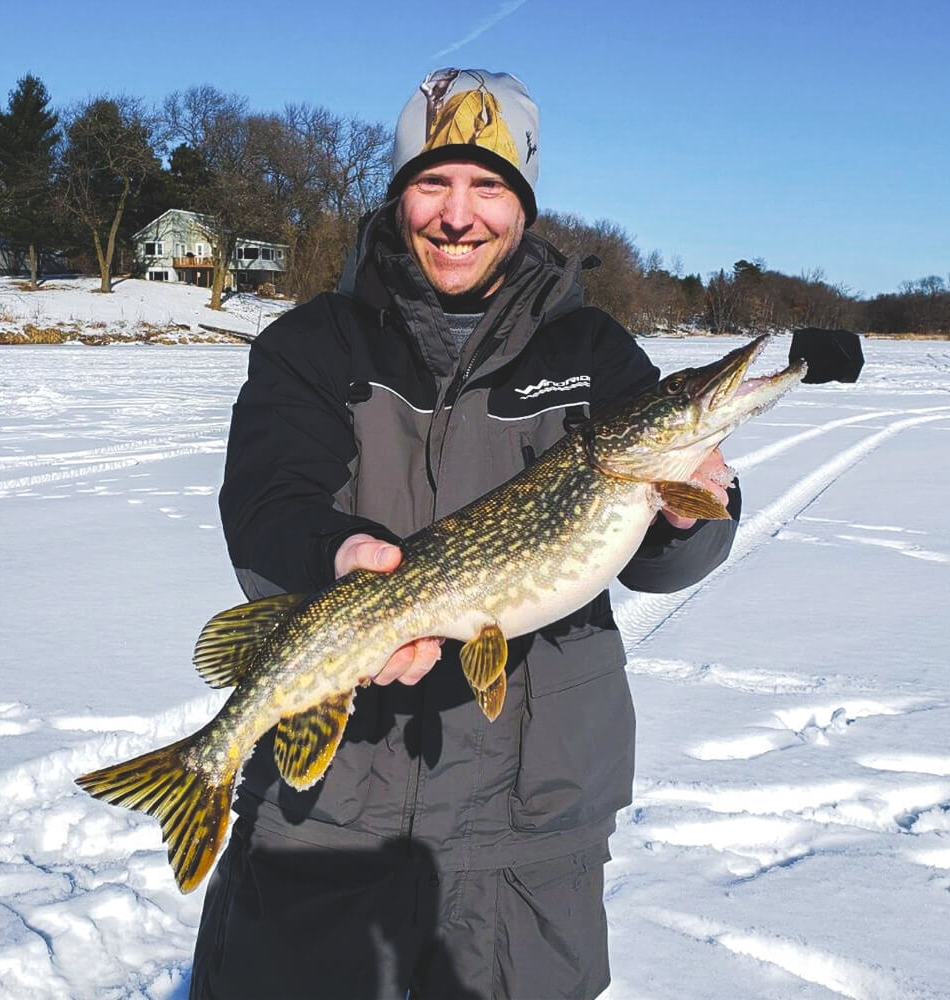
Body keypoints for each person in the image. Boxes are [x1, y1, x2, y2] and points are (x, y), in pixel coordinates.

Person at [190, 68, 740, 1000]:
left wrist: (687, 510)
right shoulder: (313, 342)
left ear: (522, 205)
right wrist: (338, 554)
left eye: (489, 186)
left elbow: (660, 564)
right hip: (332, 807)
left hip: (532, 808)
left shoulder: (593, 352)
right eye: (434, 182)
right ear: (400, 193)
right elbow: (268, 504)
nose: (459, 213)